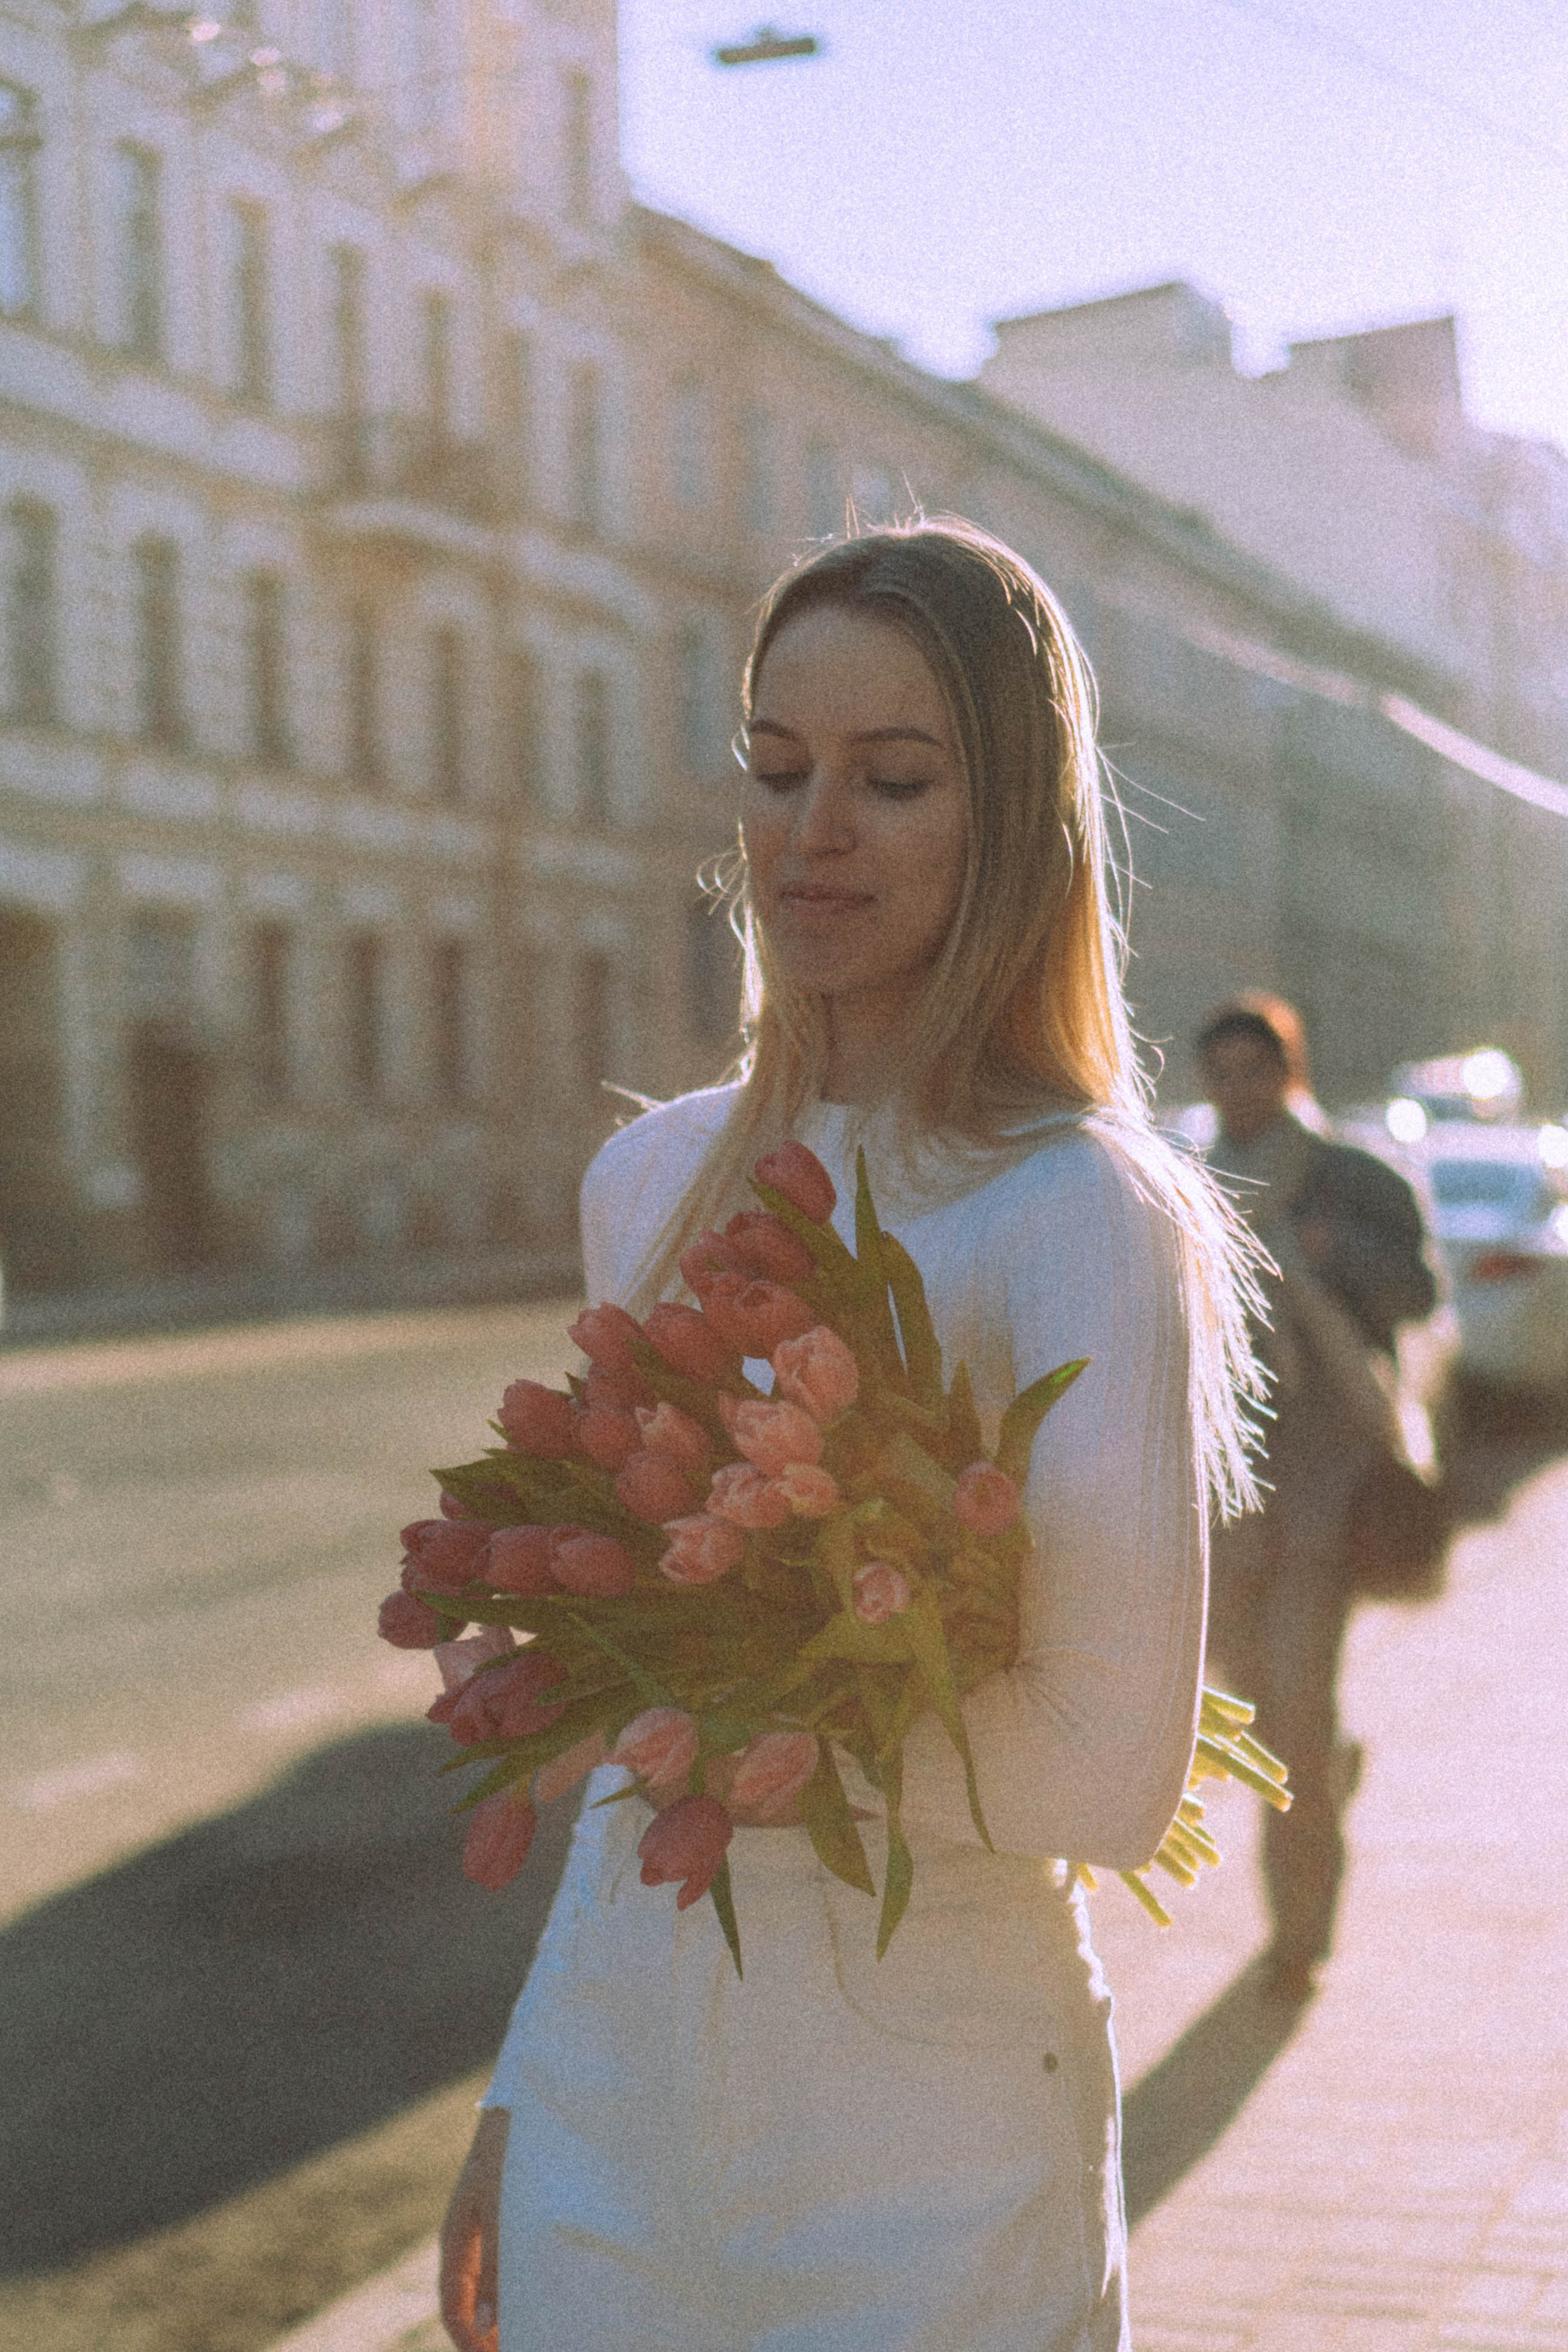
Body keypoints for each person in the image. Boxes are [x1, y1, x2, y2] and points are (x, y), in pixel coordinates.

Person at [440, 520, 1265, 2352]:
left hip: (934, 2108)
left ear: (1016, 823)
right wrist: (521, 2093)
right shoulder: (651, 1175)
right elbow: (631, 1756)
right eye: (778, 767)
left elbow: (1105, 1777)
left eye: (893, 780)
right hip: (621, 2093)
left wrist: (745, 1698)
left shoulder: (1083, 1212)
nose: (814, 831)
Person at [1196, 998, 1438, 2007]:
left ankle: (1298, 1936)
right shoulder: (1188, 1182)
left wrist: (1336, 1257)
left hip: (1326, 1480)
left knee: (1289, 1700)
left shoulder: (1350, 1178)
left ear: (1288, 1072)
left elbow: (1420, 1297)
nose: (1241, 1089)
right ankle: (1329, 1764)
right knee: (1248, 1700)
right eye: (1225, 1072)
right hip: (1222, 1479)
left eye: (1259, 1070)